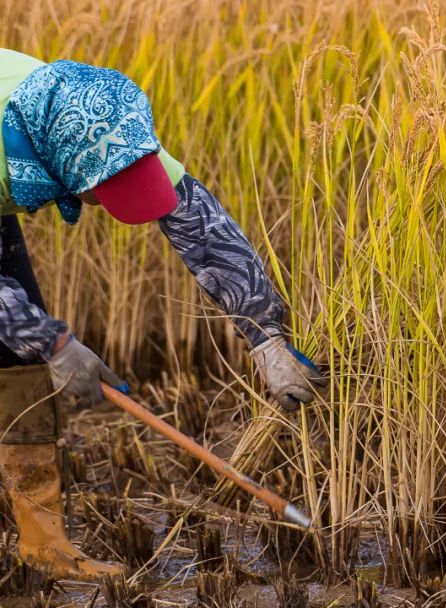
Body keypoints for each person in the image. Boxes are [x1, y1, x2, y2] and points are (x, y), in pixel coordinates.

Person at [0, 49, 325, 580]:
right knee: (21, 333)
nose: (112, 201)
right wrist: (52, 342)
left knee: (15, 354)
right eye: (103, 190)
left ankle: (43, 547)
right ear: (56, 161)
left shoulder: (105, 122)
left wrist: (265, 333)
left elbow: (202, 228)